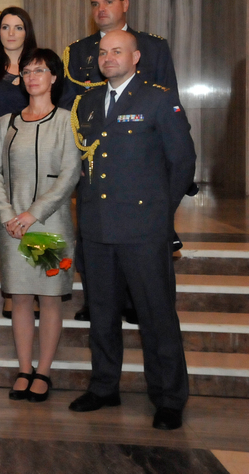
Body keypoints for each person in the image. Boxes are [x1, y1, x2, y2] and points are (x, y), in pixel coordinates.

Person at [67, 30, 195, 431]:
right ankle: (105, 386)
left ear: (135, 56)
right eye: (103, 52)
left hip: (143, 229)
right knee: (102, 314)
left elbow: (183, 162)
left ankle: (169, 397)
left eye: (117, 51)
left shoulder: (157, 98)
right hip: (97, 228)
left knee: (156, 316)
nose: (108, 58)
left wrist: (160, 214)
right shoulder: (86, 103)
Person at [64, 0, 179, 322]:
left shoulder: (153, 47)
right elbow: (72, 109)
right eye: (95, 3)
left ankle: (134, 301)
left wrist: (164, 203)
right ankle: (99, 299)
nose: (101, 9)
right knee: (98, 258)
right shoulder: (81, 50)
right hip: (98, 175)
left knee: (152, 301)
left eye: (109, 1)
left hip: (141, 178)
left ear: (125, 4)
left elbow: (170, 112)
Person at [0, 49, 80, 403]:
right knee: (21, 297)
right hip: (12, 227)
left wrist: (32, 215)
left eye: (40, 70)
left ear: (54, 77)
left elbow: (69, 175)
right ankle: (24, 369)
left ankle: (44, 371)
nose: (32, 77)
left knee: (50, 298)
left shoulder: (66, 121)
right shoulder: (6, 122)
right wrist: (8, 213)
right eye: (26, 71)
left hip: (47, 226)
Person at [0, 7, 38, 320]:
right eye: (5, 27)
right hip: (0, 159)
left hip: (36, 160)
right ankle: (12, 292)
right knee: (6, 227)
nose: (11, 33)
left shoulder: (38, 67)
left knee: (35, 223)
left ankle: (37, 288)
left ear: (27, 32)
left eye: (18, 27)